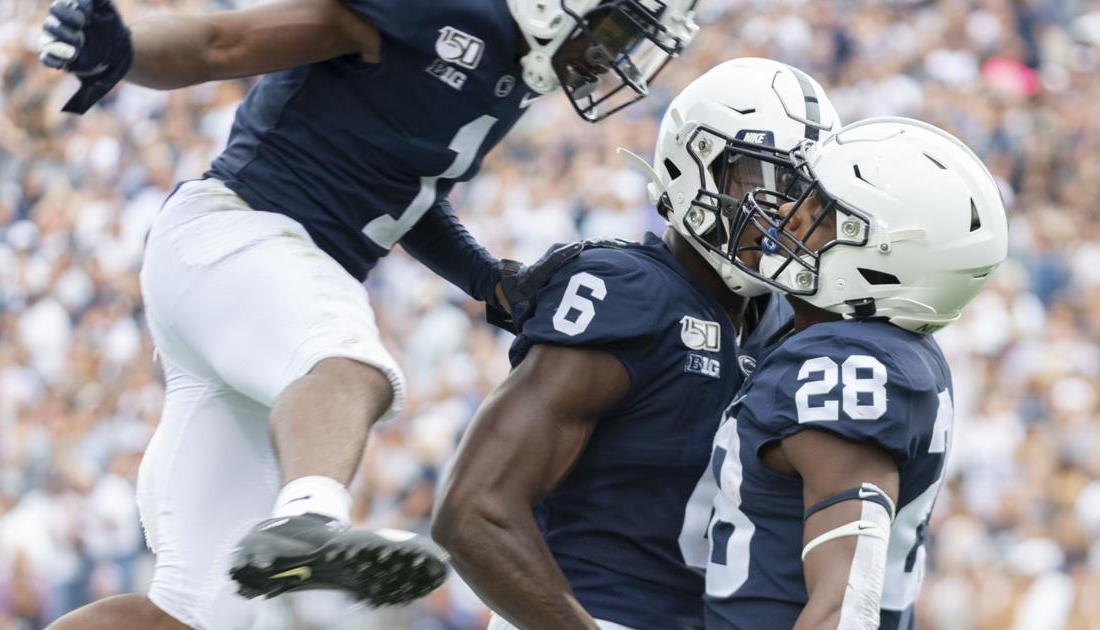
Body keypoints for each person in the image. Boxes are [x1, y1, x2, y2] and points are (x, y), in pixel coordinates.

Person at [36, 0, 700, 628]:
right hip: (236, 229)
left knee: (194, 613)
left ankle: (301, 520)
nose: (614, 58)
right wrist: (126, 50)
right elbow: (223, 43)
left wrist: (488, 280)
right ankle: (309, 517)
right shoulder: (437, 10)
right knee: (350, 363)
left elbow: (414, 193)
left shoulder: (514, 62)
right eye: (617, 31)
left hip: (253, 277)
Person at [431, 58, 839, 630]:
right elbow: (474, 512)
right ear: (694, 163)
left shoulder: (782, 319)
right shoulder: (629, 293)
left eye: (800, 190)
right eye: (762, 179)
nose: (785, 211)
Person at [700, 118, 1009, 629]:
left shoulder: (846, 365)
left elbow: (845, 611)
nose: (789, 216)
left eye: (821, 214)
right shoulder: (886, 350)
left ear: (879, 258)